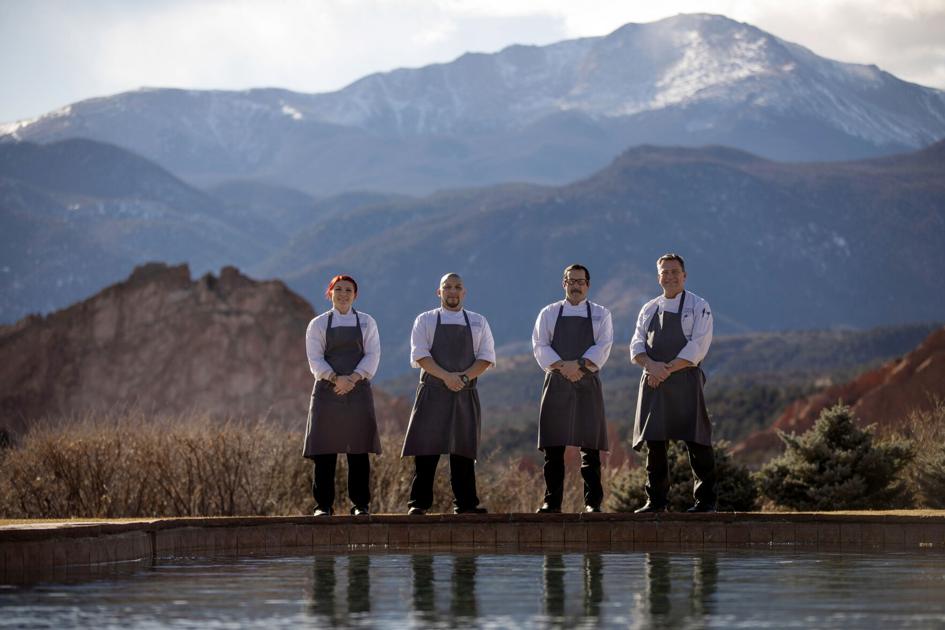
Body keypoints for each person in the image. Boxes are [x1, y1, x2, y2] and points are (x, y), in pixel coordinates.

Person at [401, 273, 495, 515]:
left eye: (457, 287)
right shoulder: (425, 320)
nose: (452, 291)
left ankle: (466, 505)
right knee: (426, 450)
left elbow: (486, 357)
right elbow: (420, 355)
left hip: (465, 392)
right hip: (433, 392)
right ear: (438, 292)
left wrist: (462, 378)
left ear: (464, 292)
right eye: (447, 287)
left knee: (462, 450)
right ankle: (418, 504)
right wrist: (447, 377)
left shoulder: (478, 322)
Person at [630, 253, 716, 513]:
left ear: (684, 275)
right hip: (654, 382)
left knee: (697, 441)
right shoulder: (649, 308)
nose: (669, 276)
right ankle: (656, 502)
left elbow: (697, 347)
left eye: (674, 271)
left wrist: (664, 369)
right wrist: (651, 366)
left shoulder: (699, 306)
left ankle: (706, 502)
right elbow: (636, 345)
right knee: (655, 444)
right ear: (658, 277)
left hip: (684, 380)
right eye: (664, 272)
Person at [532, 264, 613, 513]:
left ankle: (592, 504)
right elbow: (540, 345)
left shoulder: (601, 314)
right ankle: (552, 502)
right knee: (553, 448)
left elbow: (604, 346)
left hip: (587, 381)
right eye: (571, 281)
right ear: (563, 283)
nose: (576, 285)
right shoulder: (549, 313)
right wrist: (563, 367)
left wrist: (578, 365)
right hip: (556, 381)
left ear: (588, 285)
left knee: (590, 448)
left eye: (580, 281)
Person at [303, 274, 381, 516]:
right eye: (338, 289)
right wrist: (336, 379)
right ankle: (323, 506)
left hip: (358, 391)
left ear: (355, 295)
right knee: (324, 451)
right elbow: (314, 358)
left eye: (348, 290)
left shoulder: (368, 323)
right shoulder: (318, 324)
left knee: (358, 450)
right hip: (327, 391)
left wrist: (353, 378)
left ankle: (360, 505)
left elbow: (373, 355)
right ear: (330, 293)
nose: (343, 294)